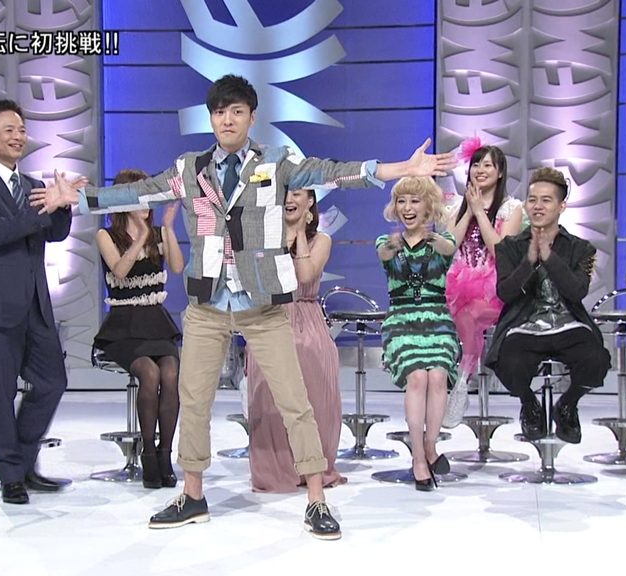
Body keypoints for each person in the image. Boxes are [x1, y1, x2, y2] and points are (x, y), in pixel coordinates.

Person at [31, 74, 457, 539]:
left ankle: (316, 499)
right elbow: (140, 191)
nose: (227, 120)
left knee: (295, 402)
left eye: (236, 111)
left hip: (261, 303)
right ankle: (193, 494)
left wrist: (400, 168)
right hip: (207, 304)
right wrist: (79, 199)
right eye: (219, 112)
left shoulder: (276, 162)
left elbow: (334, 172)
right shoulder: (190, 167)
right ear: (210, 119)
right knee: (194, 401)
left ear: (252, 117)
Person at [0, 99, 75, 504]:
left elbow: (53, 232)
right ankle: (10, 474)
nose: (18, 136)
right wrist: (45, 210)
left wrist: (62, 206)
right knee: (0, 392)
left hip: (35, 304)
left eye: (21, 129)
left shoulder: (31, 186)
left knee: (53, 382)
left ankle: (22, 461)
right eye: (9, 129)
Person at [484, 167, 610, 443]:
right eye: (532, 199)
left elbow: (576, 292)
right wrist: (529, 261)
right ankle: (529, 403)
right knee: (508, 362)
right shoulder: (509, 247)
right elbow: (505, 293)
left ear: (561, 206)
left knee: (596, 360)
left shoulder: (581, 248)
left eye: (546, 200)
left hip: (569, 325)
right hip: (524, 326)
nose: (537, 206)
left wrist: (549, 257)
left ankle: (567, 404)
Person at [244, 188, 345, 493]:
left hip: (307, 321)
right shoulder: (263, 238)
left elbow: (305, 276)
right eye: (284, 193)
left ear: (310, 201)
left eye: (296, 194)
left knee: (314, 399)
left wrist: (299, 234)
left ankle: (313, 468)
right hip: (270, 318)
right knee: (270, 401)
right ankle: (276, 470)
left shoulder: (322, 240)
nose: (289, 199)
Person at [93, 168, 184, 489]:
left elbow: (177, 267)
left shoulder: (158, 233)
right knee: (150, 373)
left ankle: (165, 454)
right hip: (124, 327)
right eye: (139, 196)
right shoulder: (106, 236)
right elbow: (119, 271)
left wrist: (167, 229)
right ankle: (148, 454)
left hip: (156, 323)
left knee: (171, 374)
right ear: (123, 201)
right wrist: (142, 237)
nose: (146, 203)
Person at [375, 176, 460, 490]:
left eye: (415, 200)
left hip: (437, 319)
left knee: (437, 376)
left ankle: (430, 446)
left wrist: (431, 235)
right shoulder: (386, 242)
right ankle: (418, 458)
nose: (407, 207)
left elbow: (449, 247)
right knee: (417, 377)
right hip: (401, 320)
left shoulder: (443, 241)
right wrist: (397, 242)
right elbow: (385, 253)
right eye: (402, 201)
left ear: (428, 206)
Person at [444, 140, 523, 423]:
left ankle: (462, 380)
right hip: (458, 284)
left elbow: (500, 252)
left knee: (470, 315)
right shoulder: (457, 205)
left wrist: (480, 212)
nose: (480, 170)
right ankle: (444, 379)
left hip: (495, 289)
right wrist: (469, 209)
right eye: (476, 164)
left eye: (488, 165)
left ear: (500, 172)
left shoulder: (511, 208)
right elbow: (448, 246)